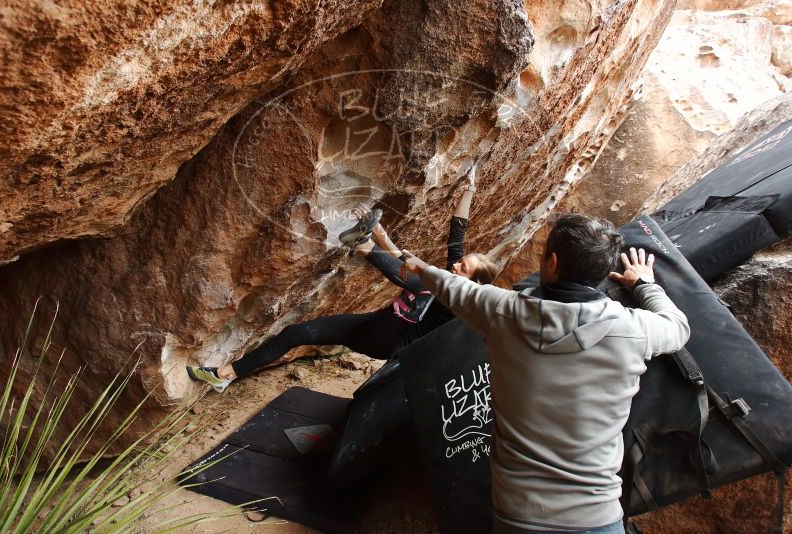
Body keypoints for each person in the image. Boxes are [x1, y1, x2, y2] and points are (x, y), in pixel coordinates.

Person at [400, 214, 690, 534]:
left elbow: (450, 286)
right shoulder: (634, 330)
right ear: (599, 271)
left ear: (551, 262)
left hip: (519, 515)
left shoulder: (501, 311)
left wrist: (420, 268)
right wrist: (644, 284)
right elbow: (678, 328)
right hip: (597, 516)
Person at [187, 163, 500, 392]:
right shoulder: (454, 274)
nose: (456, 265)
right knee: (295, 334)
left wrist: (382, 238)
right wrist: (470, 186)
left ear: (474, 284)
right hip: (376, 325)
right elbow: (457, 233)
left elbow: (414, 273)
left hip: (390, 340)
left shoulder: (460, 304)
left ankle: (361, 242)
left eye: (464, 268)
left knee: (419, 283)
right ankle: (224, 375)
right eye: (460, 263)